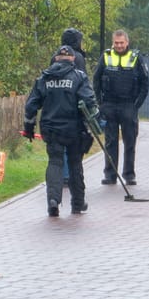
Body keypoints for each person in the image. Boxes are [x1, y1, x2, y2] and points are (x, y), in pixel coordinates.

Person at [24, 44, 99, 217]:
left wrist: (29, 127)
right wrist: (93, 124)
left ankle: (53, 200)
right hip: (74, 129)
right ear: (73, 59)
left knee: (55, 162)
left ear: (56, 58)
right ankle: (78, 203)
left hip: (51, 129)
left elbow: (31, 105)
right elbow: (89, 101)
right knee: (75, 164)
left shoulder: (44, 78)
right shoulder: (79, 77)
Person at [93, 28, 149, 186]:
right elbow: (96, 80)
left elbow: (145, 83)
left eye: (121, 43)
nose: (119, 46)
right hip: (109, 105)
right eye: (116, 43)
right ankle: (110, 175)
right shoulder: (106, 56)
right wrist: (100, 103)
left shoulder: (136, 57)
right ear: (113, 42)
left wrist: (136, 105)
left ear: (127, 42)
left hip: (128, 105)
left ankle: (129, 175)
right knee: (110, 142)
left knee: (129, 142)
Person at [51, 26, 87, 184]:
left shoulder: (56, 56)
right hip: (73, 105)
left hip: (56, 105)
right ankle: (71, 175)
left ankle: (60, 174)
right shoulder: (78, 57)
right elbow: (82, 81)